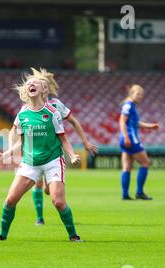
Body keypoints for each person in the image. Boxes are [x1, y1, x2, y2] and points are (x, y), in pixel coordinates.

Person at [0, 71, 82, 242]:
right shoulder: (22, 115)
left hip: (53, 161)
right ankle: (2, 235)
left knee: (58, 202)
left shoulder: (52, 112)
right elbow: (22, 142)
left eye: (35, 83)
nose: (32, 84)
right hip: (30, 162)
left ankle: (74, 236)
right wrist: (6, 154)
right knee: (10, 200)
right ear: (26, 90)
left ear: (42, 90)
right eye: (29, 83)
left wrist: (72, 155)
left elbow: (63, 139)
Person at [8, 68, 98, 225]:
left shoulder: (56, 105)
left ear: (46, 87)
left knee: (50, 190)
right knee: (37, 182)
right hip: (35, 152)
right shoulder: (27, 108)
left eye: (42, 83)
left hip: (53, 151)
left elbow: (74, 122)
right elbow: (15, 132)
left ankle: (50, 188)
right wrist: (11, 150)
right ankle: (39, 218)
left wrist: (85, 142)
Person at [119, 84, 160, 200]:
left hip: (126, 139)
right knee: (145, 163)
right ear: (132, 93)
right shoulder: (128, 105)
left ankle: (125, 195)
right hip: (130, 138)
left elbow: (135, 123)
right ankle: (139, 192)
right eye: (138, 93)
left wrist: (150, 126)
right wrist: (127, 137)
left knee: (127, 167)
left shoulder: (131, 106)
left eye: (142, 94)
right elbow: (122, 122)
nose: (140, 96)